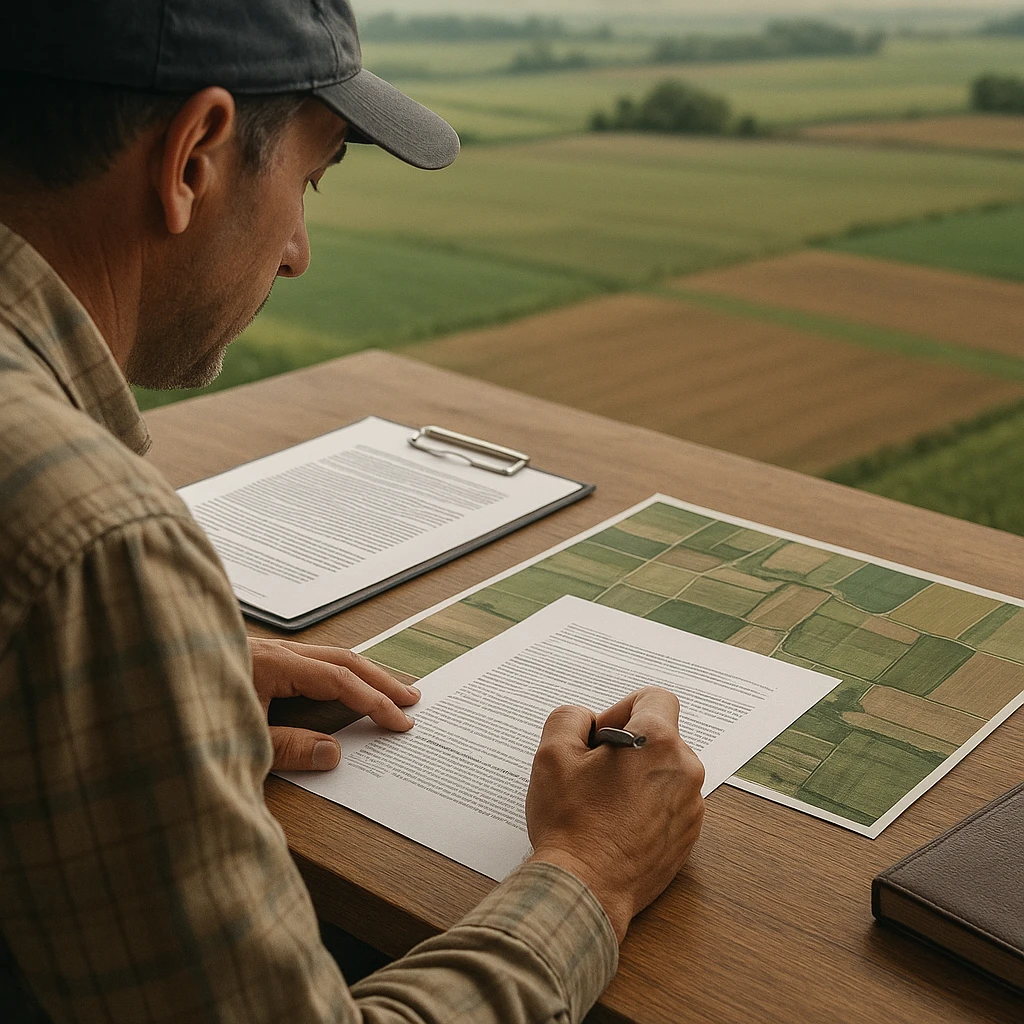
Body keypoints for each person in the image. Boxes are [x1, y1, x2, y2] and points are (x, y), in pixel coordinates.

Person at [0, 3, 706, 1022]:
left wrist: (136, 680)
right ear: (193, 156)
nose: (296, 252)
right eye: (309, 179)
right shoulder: (96, 542)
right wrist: (593, 871)